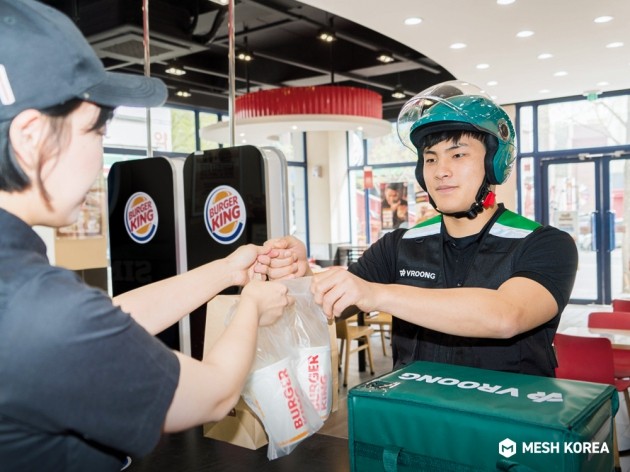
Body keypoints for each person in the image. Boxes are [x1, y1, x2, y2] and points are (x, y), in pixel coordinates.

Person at [0, 1, 292, 471]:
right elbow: (214, 395)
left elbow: (104, 324)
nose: (99, 161)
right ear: (32, 136)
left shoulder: (26, 295)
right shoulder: (40, 308)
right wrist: (252, 305)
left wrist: (223, 271)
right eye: (96, 132)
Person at [259, 80, 578, 378]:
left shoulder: (543, 244)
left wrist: (378, 293)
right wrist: (299, 278)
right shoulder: (400, 245)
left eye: (458, 154)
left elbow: (507, 316)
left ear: (494, 163)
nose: (442, 171)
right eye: (431, 159)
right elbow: (327, 308)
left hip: (509, 423)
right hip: (414, 423)